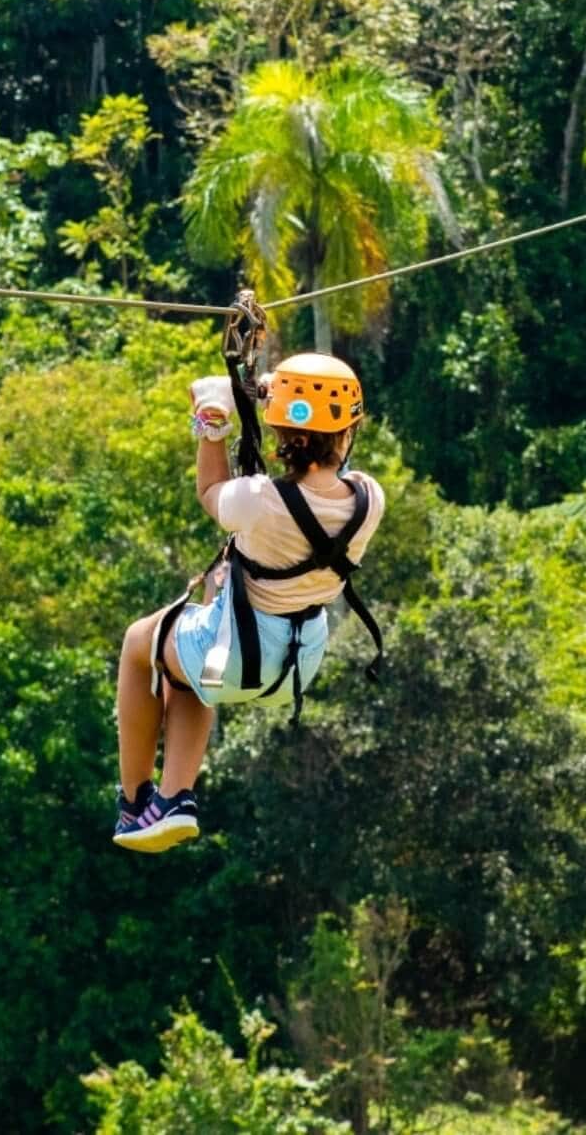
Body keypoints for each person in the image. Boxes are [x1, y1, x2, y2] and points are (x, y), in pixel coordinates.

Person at [112, 352, 385, 853]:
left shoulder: (257, 498)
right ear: (347, 434)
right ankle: (174, 796)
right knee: (186, 672)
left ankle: (134, 801)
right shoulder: (368, 499)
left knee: (138, 643)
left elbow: (211, 489)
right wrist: (268, 390)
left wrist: (214, 421)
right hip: (296, 664)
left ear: (281, 433)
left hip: (238, 649)